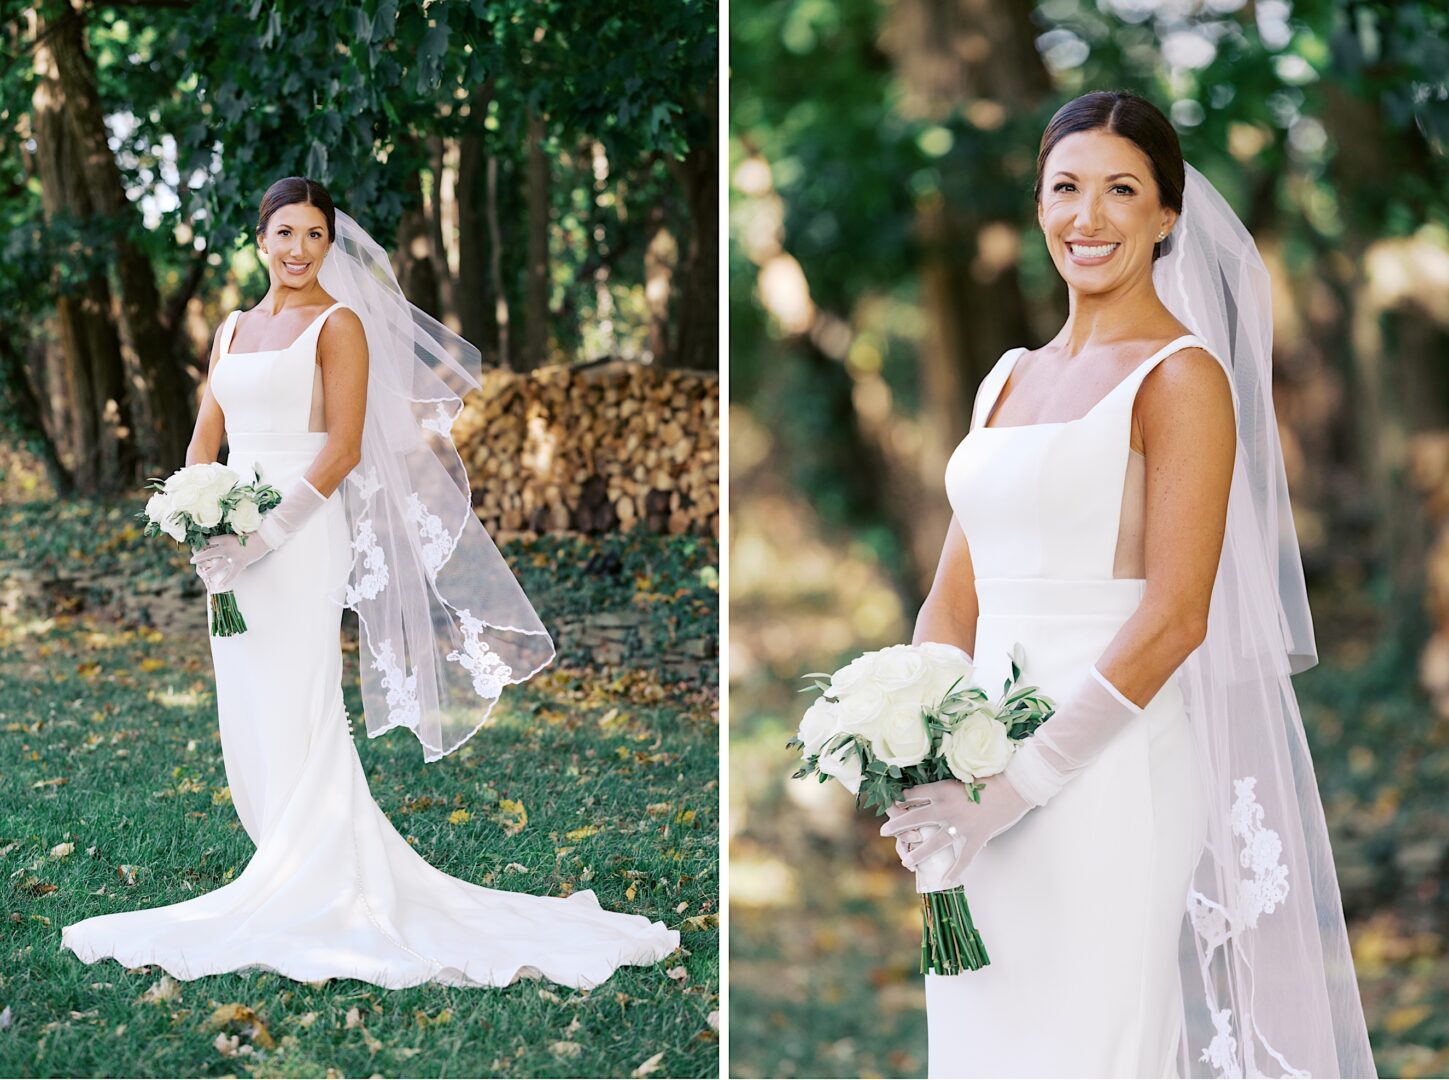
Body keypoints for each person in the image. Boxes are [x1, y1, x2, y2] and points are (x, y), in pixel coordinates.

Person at [60, 176, 680, 989]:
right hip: (231, 541)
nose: (298, 249)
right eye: (284, 232)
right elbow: (205, 436)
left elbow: (343, 448)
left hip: (300, 531)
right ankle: (278, 859)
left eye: (314, 235)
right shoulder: (233, 329)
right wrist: (200, 523)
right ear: (260, 238)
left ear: (328, 244)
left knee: (299, 696)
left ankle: (317, 876)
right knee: (245, 702)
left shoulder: (339, 324)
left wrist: (266, 535)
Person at [879, 92, 1376, 1077]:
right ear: (1038, 207)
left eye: (1121, 190)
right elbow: (954, 596)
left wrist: (1021, 786)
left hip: (1103, 782)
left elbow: (1176, 616)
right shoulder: (1007, 379)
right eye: (1066, 188)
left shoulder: (1183, 378)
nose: (1089, 217)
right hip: (976, 780)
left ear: (1166, 217)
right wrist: (928, 750)